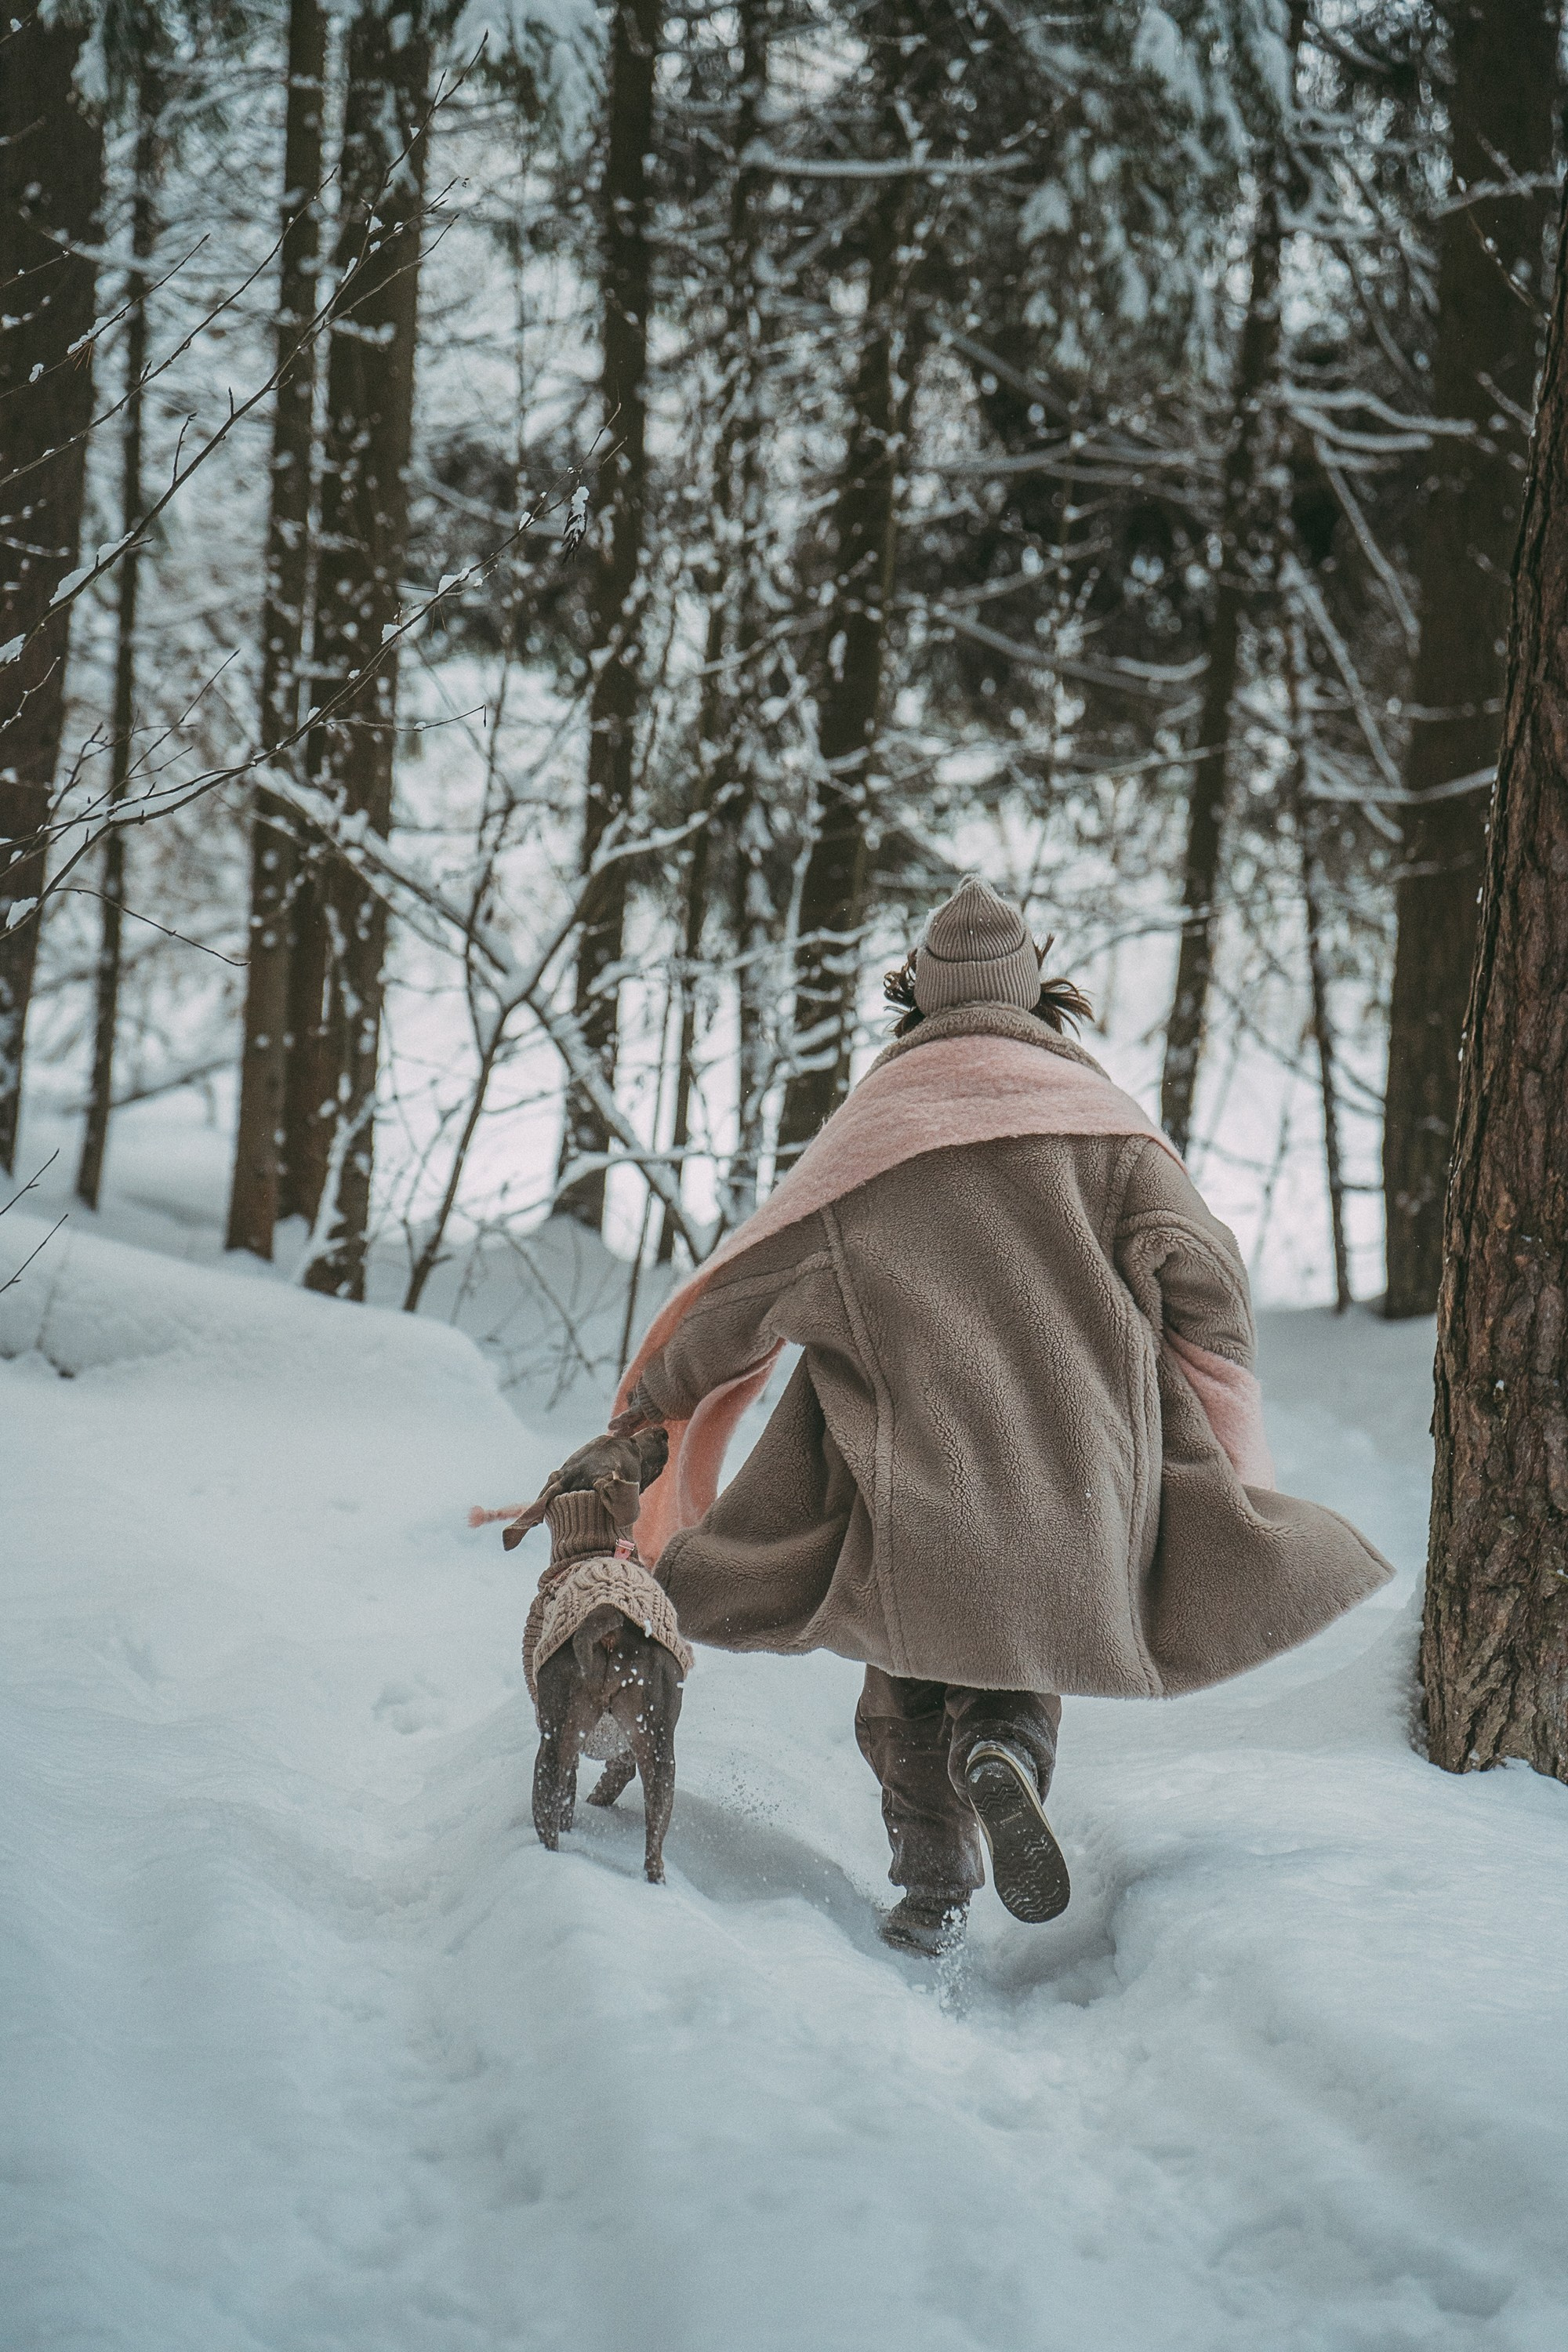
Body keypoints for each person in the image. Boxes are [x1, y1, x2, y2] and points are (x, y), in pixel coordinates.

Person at [612, 878, 1392, 1955]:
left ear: (915, 1004)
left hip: (911, 1504)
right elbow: (1210, 1283)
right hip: (1081, 1493)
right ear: (1044, 1003)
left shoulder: (865, 1149)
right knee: (1014, 1643)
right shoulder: (1113, 1138)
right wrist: (1216, 1418)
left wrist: (645, 1416)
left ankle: (933, 1888)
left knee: (906, 1681)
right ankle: (1011, 1748)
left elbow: (737, 1305)